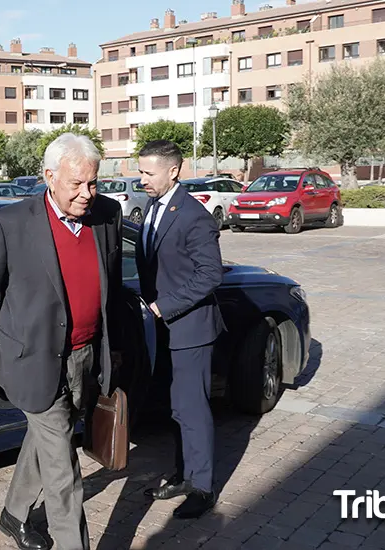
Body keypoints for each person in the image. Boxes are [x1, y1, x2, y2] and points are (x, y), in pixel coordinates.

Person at [0, 133, 122, 550]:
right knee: (63, 470)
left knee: (44, 439)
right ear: (49, 177)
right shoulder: (12, 223)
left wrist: (115, 351)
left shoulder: (107, 215)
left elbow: (114, 289)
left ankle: (14, 515)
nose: (87, 194)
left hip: (85, 356)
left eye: (94, 183)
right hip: (33, 358)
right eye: (77, 184)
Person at [135, 140, 225, 519]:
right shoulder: (150, 208)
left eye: (147, 173)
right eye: (139, 172)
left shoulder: (194, 216)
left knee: (192, 409)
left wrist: (161, 306)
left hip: (189, 330)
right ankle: (182, 474)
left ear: (173, 171)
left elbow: (210, 275)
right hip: (163, 330)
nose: (140, 180)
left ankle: (202, 487)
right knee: (174, 408)